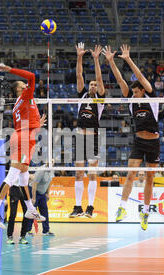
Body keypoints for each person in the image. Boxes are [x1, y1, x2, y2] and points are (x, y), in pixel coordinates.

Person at [105, 45, 160, 230]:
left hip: (153, 142)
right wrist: (112, 61)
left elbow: (142, 78)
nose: (134, 95)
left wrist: (128, 60)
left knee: (150, 179)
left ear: (143, 91)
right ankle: (122, 207)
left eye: (137, 92)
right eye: (133, 92)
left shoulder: (152, 99)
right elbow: (120, 79)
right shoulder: (131, 102)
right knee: (130, 174)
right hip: (138, 142)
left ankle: (145, 212)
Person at [0, 62, 48, 227]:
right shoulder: (25, 96)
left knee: (23, 176)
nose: (28, 85)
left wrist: (36, 125)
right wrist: (10, 70)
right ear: (20, 89)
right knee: (13, 175)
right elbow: (32, 76)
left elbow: (25, 122)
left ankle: (30, 208)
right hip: (23, 138)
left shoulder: (21, 103)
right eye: (24, 85)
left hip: (23, 136)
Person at [67, 42, 105, 219]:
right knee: (78, 173)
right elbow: (79, 74)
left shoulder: (100, 99)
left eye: (95, 85)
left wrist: (97, 60)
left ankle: (90, 207)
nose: (92, 87)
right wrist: (80, 56)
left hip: (94, 138)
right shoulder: (82, 95)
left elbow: (99, 78)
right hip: (80, 137)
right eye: (91, 85)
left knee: (92, 174)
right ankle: (77, 206)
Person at [29, 164, 55, 236]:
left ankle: (46, 231)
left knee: (44, 211)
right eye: (51, 161)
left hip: (42, 192)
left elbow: (49, 182)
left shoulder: (52, 169)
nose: (52, 163)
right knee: (32, 211)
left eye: (53, 161)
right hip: (34, 191)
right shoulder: (41, 171)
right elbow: (34, 184)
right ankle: (28, 230)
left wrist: (47, 193)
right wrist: (33, 198)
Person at [6, 179, 32, 245]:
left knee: (27, 213)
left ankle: (23, 236)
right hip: (14, 189)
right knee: (13, 214)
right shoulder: (14, 169)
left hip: (24, 189)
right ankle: (9, 236)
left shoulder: (26, 170)